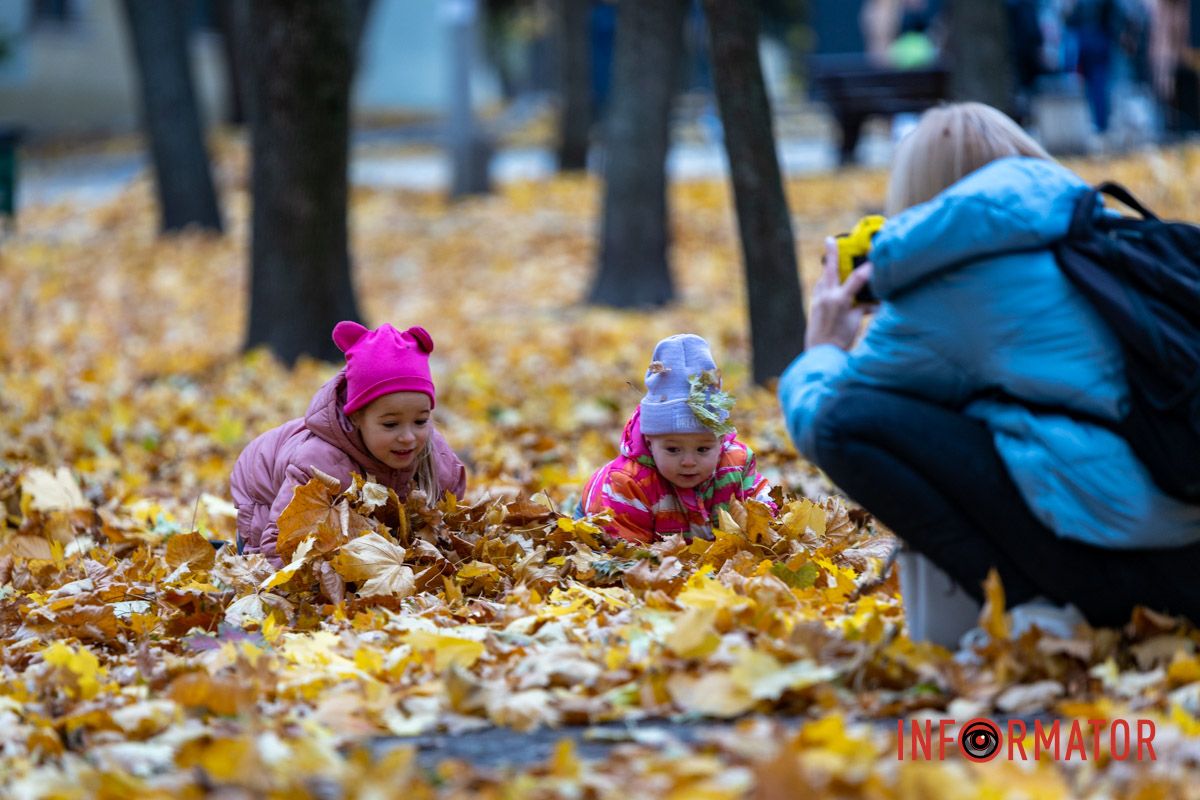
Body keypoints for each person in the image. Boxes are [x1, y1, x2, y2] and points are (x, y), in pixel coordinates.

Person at [778, 102, 1200, 634]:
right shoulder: (1094, 229)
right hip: (1188, 550)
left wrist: (822, 349)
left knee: (847, 420)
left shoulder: (953, 282)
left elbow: (823, 420)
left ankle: (1037, 608)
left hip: (1137, 578)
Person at [231, 322, 466, 568]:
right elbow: (279, 545)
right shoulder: (321, 465)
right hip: (263, 488)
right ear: (356, 417)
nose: (408, 436)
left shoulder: (439, 462)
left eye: (420, 421)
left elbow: (449, 532)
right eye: (390, 424)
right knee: (265, 566)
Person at [579, 334, 775, 544]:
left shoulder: (736, 466)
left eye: (702, 449)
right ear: (650, 441)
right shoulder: (627, 484)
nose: (688, 461)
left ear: (720, 442)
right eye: (673, 450)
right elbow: (624, 552)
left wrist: (766, 526)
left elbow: (762, 507)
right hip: (617, 526)